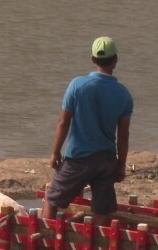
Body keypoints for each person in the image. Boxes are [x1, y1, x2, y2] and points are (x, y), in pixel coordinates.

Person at [42, 36, 133, 226]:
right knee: (102, 209)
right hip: (106, 160)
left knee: (52, 199)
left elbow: (63, 122)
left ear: (93, 59)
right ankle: (96, 249)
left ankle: (44, 240)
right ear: (115, 60)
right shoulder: (124, 94)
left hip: (78, 158)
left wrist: (55, 152)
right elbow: (123, 135)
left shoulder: (78, 85)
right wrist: (121, 166)